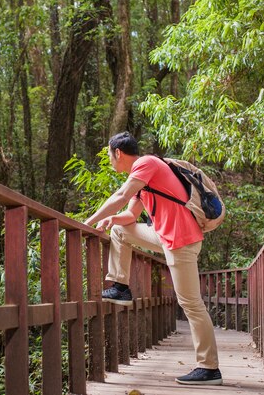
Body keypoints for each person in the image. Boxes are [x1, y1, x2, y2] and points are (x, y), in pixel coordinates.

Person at [84, 131, 222, 386]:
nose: (110, 160)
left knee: (190, 303)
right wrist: (111, 219)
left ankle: (209, 367)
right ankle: (120, 286)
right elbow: (129, 214)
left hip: (181, 240)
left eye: (109, 155)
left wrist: (86, 222)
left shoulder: (146, 163)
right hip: (165, 237)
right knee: (119, 230)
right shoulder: (141, 180)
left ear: (118, 153)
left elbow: (120, 197)